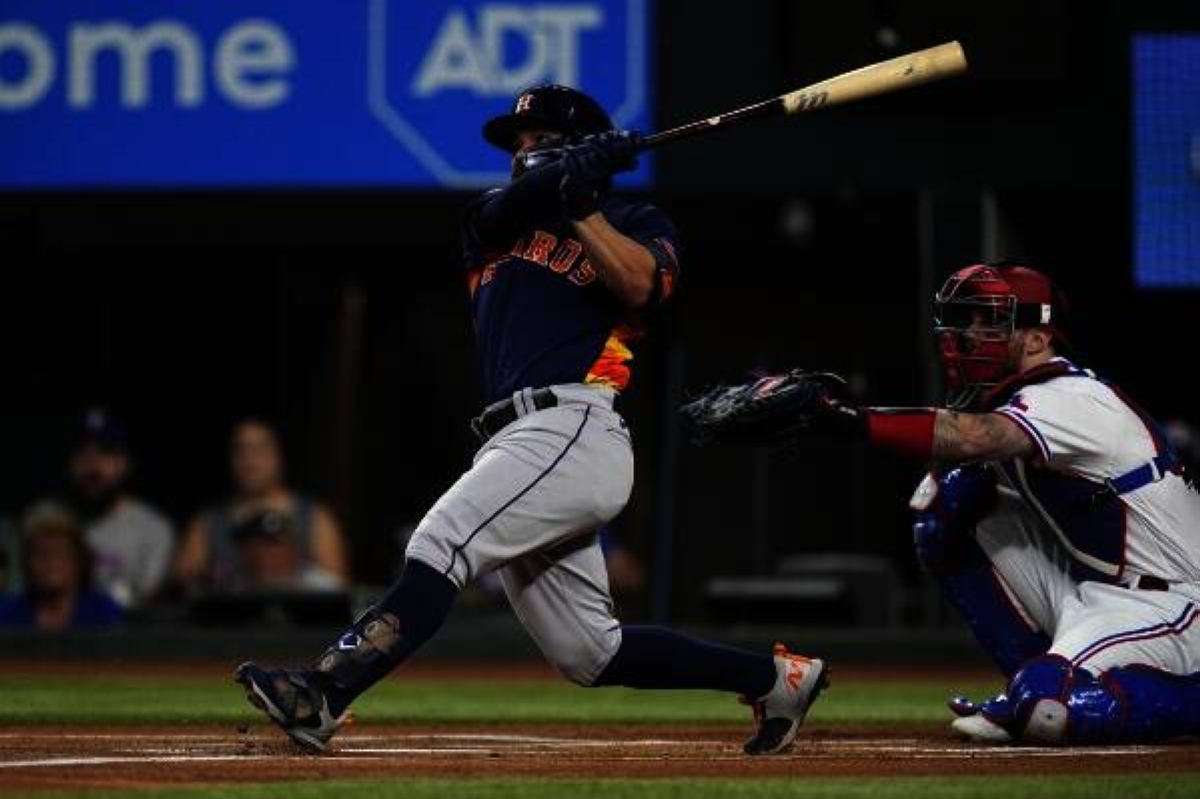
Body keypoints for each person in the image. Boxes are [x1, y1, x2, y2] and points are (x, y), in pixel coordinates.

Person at [235, 84, 828, 756]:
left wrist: (583, 201)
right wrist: (563, 175)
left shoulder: (638, 218)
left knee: (442, 540)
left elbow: (642, 285)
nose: (521, 150)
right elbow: (518, 197)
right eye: (517, 141)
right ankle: (776, 679)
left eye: (537, 138)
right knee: (589, 652)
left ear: (581, 144)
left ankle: (324, 690)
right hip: (514, 441)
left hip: (574, 425)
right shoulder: (492, 219)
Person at [704, 262, 1200, 745]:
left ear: (1037, 337)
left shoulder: (1071, 395)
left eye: (990, 319)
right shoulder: (1021, 396)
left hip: (1173, 602)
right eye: (969, 318)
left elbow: (976, 437)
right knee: (947, 500)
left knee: (1049, 708)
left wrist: (846, 419)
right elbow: (962, 456)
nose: (969, 332)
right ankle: (1035, 680)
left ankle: (1053, 691)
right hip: (1099, 590)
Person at [175, 419, 349, 592]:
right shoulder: (208, 521)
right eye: (240, 449)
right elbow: (185, 584)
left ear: (279, 454)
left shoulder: (315, 517)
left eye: (260, 448)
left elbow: (336, 591)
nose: (249, 459)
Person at [66, 409, 175, 609]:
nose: (92, 464)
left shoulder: (152, 528)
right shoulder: (53, 526)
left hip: (126, 635)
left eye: (104, 453)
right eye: (82, 452)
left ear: (124, 463)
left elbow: (146, 601)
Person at [0, 502, 124, 630]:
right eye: (41, 553)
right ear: (26, 562)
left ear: (80, 561)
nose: (51, 562)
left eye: (60, 552)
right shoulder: (7, 613)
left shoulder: (102, 612)